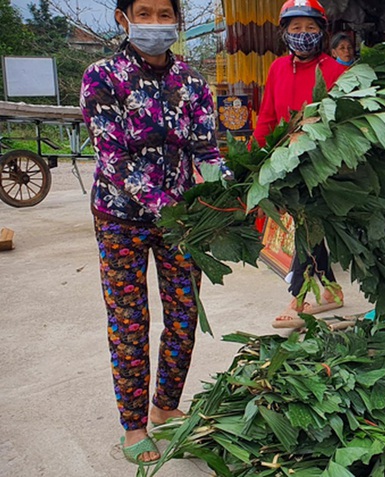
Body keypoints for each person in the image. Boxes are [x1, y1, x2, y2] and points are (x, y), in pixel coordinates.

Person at [79, 0, 227, 466]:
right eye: (146, 12)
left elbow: (207, 148)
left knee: (184, 316)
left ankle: (165, 407)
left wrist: (232, 190)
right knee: (130, 323)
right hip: (121, 218)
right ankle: (134, 425)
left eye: (166, 14)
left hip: (181, 223)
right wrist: (168, 206)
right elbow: (112, 158)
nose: (157, 23)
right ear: (123, 18)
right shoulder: (101, 76)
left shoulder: (194, 82)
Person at [252, 0, 348, 328]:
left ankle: (299, 296)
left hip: (323, 165)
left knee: (308, 225)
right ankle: (332, 291)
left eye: (310, 28)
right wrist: (253, 161)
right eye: (296, 28)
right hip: (286, 163)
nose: (303, 34)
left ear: (322, 32)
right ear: (285, 33)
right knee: (307, 226)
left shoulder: (337, 72)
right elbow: (266, 117)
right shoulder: (278, 68)